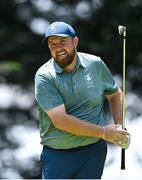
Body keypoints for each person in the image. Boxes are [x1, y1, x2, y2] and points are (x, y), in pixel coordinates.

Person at [35, 21, 130, 179]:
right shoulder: (45, 76)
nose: (58, 48)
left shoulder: (95, 64)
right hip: (58, 155)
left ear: (75, 41)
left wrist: (119, 129)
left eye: (62, 42)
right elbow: (61, 121)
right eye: (52, 44)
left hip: (93, 152)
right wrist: (104, 132)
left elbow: (114, 94)